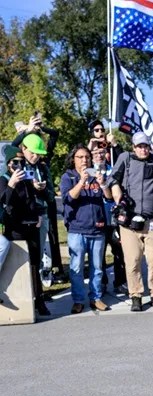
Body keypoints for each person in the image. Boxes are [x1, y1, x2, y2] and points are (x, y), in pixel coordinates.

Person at [109, 132, 153, 312]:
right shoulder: (126, 158)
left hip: (152, 219)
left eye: (146, 146)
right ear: (133, 147)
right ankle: (136, 295)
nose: (143, 149)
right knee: (133, 260)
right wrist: (115, 188)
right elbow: (112, 177)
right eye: (139, 146)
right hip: (130, 219)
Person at [59, 145, 110, 313]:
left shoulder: (97, 176)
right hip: (77, 230)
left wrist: (103, 185)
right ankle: (78, 300)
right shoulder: (68, 177)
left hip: (97, 229)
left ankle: (96, 298)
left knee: (97, 268)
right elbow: (68, 198)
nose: (84, 160)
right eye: (80, 157)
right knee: (76, 268)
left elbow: (109, 198)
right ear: (73, 159)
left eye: (87, 157)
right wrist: (81, 181)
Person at [0, 144, 50, 316]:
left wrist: (38, 213)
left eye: (21, 163)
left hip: (31, 225)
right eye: (15, 163)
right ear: (8, 164)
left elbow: (33, 200)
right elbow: (5, 203)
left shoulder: (27, 179)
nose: (19, 167)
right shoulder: (4, 179)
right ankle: (19, 297)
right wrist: (12, 184)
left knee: (35, 263)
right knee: (17, 263)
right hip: (14, 227)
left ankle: (39, 300)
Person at [13, 114, 62, 282]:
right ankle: (27, 287)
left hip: (41, 214)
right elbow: (12, 146)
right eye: (33, 153)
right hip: (23, 217)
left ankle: (38, 286)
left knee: (37, 254)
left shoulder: (42, 165)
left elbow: (49, 194)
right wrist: (27, 129)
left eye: (39, 154)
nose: (36, 156)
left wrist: (41, 190)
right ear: (25, 149)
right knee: (21, 256)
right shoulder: (17, 163)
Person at [90, 140, 126, 295]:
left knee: (119, 251)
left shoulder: (113, 171)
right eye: (95, 153)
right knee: (99, 254)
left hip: (112, 217)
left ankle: (119, 282)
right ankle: (102, 282)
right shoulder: (88, 173)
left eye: (101, 153)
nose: (99, 155)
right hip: (96, 218)